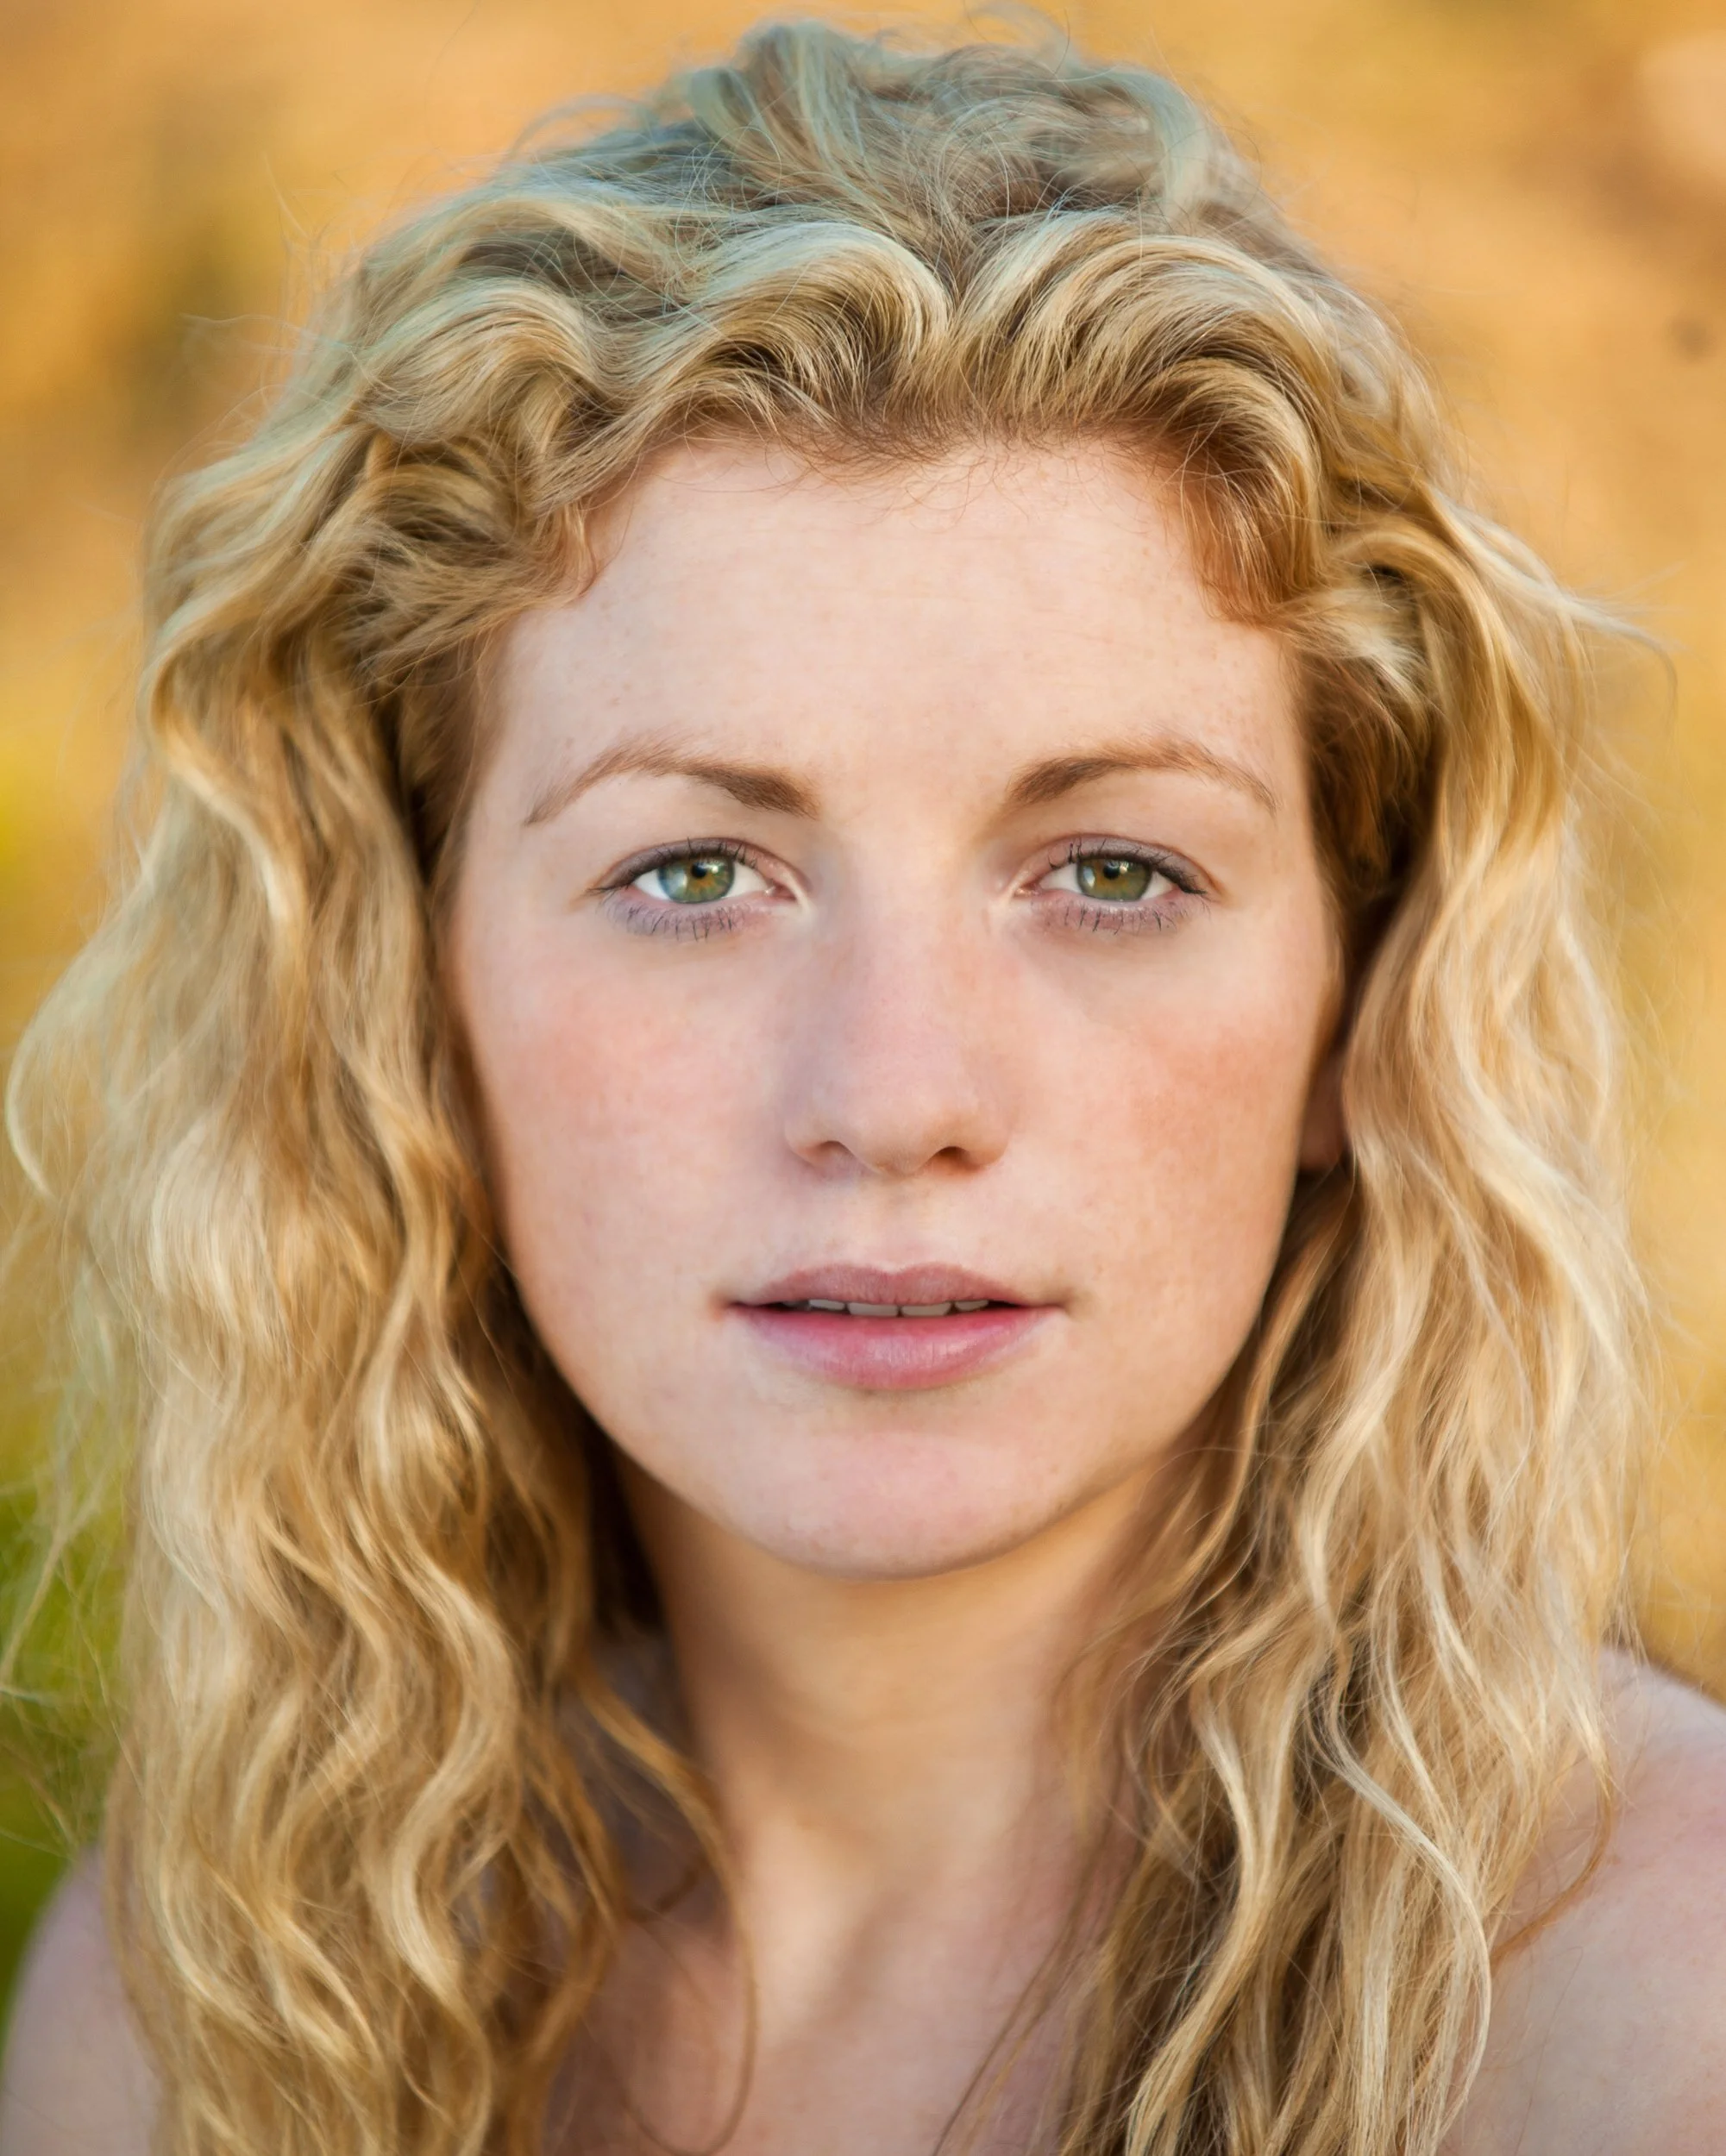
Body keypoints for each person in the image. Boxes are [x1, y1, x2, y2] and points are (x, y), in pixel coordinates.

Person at [2, 18, 1723, 2156]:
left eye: (1112, 870)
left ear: (1357, 1003)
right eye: (695, 873)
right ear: (405, 997)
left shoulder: (1655, 2013)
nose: (893, 1092)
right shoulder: (198, 1997)